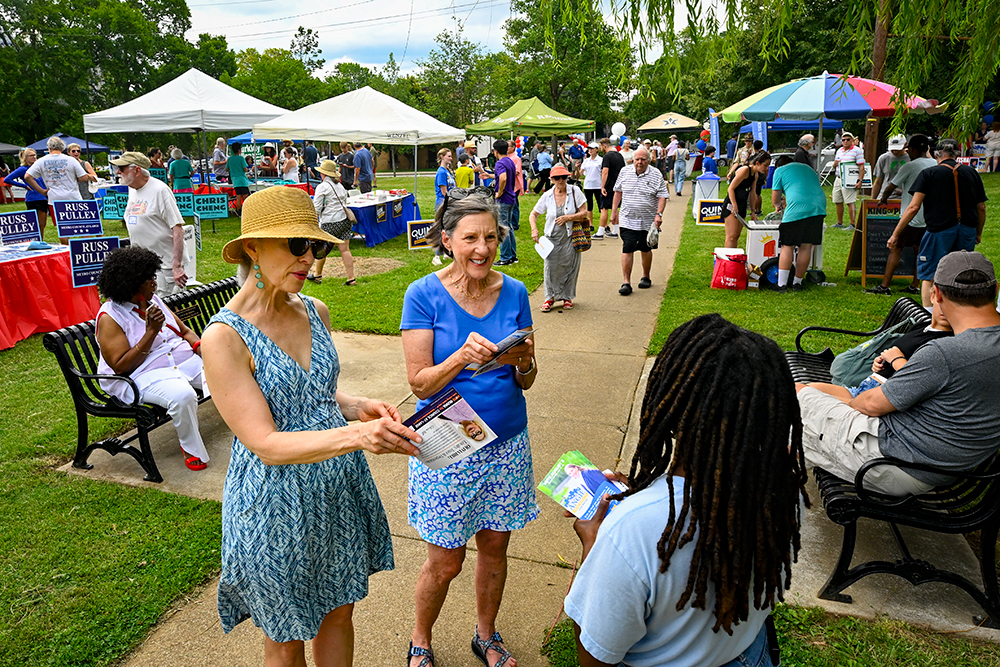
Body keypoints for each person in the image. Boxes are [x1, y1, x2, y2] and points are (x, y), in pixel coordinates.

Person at [201, 185, 420, 667]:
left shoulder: (314, 310)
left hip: (335, 488)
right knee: (285, 636)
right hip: (275, 502)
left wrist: (356, 405)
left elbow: (311, 391)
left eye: (316, 245)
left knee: (339, 615)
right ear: (252, 249)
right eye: (297, 245)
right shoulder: (223, 338)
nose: (309, 257)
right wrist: (360, 436)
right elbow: (265, 443)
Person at [565, 314, 807, 667]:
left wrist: (593, 546)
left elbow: (595, 655)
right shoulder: (780, 490)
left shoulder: (633, 532)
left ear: (672, 405)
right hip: (748, 654)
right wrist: (648, 494)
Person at [400, 188, 538, 667]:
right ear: (448, 240)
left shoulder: (515, 292)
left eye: (492, 237)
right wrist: (460, 357)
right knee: (445, 561)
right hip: (450, 440)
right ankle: (420, 640)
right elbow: (418, 385)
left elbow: (528, 377)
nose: (482, 248)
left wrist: (523, 362)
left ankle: (486, 635)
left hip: (507, 442)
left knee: (495, 548)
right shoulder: (423, 294)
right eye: (471, 238)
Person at [796, 250, 1000, 496]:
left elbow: (870, 404)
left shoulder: (946, 352)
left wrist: (843, 401)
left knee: (786, 395)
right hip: (937, 463)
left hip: (892, 463)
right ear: (995, 290)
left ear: (936, 294)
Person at [95, 246, 210, 471]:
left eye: (153, 276)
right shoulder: (110, 317)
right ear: (130, 283)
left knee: (228, 372)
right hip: (144, 374)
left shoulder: (154, 300)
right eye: (148, 279)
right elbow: (121, 366)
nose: (154, 283)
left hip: (182, 361)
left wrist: (200, 348)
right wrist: (150, 332)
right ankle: (191, 449)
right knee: (183, 395)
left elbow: (184, 332)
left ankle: (248, 429)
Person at [889, 138, 987, 308]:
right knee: (961, 273)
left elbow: (913, 207)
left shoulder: (929, 174)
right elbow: (982, 208)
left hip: (939, 230)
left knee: (929, 272)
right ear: (957, 154)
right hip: (967, 229)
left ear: (936, 154)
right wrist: (977, 232)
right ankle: (957, 312)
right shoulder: (972, 173)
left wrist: (895, 233)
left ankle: (928, 315)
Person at [807, 296, 953, 401]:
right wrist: (881, 362)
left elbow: (918, 381)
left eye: (954, 306)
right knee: (799, 389)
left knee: (804, 400)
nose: (947, 310)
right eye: (944, 302)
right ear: (933, 296)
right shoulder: (922, 327)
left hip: (878, 398)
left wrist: (896, 359)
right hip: (865, 386)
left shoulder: (947, 342)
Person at [868, 134, 936, 296]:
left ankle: (884, 286)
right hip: (930, 217)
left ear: (911, 149)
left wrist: (883, 199)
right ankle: (915, 284)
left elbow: (890, 187)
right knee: (920, 252)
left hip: (910, 217)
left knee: (895, 248)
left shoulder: (909, 166)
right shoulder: (936, 164)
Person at [114, 152, 188, 296]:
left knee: (168, 310)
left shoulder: (160, 190)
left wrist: (177, 266)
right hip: (142, 265)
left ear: (137, 170)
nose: (118, 172)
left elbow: (178, 229)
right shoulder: (132, 189)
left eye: (122, 168)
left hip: (164, 266)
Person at [530, 164, 589, 311]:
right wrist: (534, 230)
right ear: (552, 179)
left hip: (570, 236)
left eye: (564, 177)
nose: (561, 180)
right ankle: (549, 298)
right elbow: (534, 214)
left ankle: (567, 297)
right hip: (552, 237)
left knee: (570, 266)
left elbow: (584, 212)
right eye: (557, 178)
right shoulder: (547, 195)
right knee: (550, 267)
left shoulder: (575, 191)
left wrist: (569, 217)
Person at [612, 147, 670, 296]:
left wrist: (659, 214)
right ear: (633, 160)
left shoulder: (656, 174)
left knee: (645, 248)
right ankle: (626, 282)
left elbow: (662, 195)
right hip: (627, 218)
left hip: (648, 220)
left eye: (643, 159)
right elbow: (618, 192)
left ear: (648, 160)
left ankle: (646, 276)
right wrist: (614, 212)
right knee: (628, 247)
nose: (640, 162)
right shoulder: (625, 172)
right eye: (637, 159)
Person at [770, 154, 827, 292]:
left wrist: (778, 206)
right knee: (806, 246)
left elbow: (775, 198)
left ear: (778, 165)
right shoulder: (807, 168)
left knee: (787, 245)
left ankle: (782, 284)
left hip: (797, 208)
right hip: (818, 207)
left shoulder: (779, 171)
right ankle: (797, 282)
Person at [25, 136, 89, 235]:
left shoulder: (41, 161)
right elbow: (84, 178)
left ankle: (66, 247)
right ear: (63, 148)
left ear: (49, 148)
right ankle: (85, 247)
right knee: (81, 226)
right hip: (73, 197)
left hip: (54, 198)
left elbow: (27, 176)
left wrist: (41, 191)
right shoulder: (71, 160)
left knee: (62, 227)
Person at [307, 160, 356, 287]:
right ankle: (351, 278)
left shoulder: (322, 187)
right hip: (344, 220)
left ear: (323, 174)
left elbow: (316, 208)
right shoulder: (340, 186)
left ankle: (317, 275)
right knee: (345, 250)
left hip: (330, 222)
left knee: (321, 249)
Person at [722, 152, 771, 249]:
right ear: (757, 163)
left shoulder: (755, 174)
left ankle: (733, 260)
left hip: (742, 203)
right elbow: (730, 188)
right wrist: (734, 205)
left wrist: (753, 211)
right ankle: (727, 261)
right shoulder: (744, 170)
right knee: (731, 236)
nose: (766, 169)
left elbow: (753, 193)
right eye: (765, 165)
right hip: (732, 203)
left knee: (736, 236)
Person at [7, 149, 50, 237]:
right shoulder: (23, 169)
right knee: (37, 224)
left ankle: (39, 241)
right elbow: (7, 179)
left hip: (44, 198)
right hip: (34, 199)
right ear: (25, 158)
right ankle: (37, 241)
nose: (34, 157)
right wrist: (24, 186)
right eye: (31, 155)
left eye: (35, 155)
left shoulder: (38, 167)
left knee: (42, 224)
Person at [492, 140, 520, 267]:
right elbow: (503, 176)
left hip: (503, 199)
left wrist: (499, 192)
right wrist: (488, 175)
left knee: (502, 228)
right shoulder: (509, 161)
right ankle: (513, 256)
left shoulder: (499, 163)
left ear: (496, 151)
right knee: (509, 227)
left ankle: (505, 257)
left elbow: (503, 178)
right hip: (511, 197)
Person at [831, 132, 865, 229]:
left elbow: (861, 166)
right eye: (843, 140)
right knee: (838, 200)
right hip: (838, 178)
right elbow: (834, 166)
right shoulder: (839, 151)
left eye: (848, 139)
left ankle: (852, 224)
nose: (845, 141)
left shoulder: (857, 150)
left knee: (850, 201)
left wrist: (860, 180)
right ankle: (839, 223)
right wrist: (835, 163)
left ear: (852, 140)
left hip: (849, 179)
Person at [596, 137, 625, 240]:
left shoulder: (607, 156)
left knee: (604, 208)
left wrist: (602, 186)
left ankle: (600, 232)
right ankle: (615, 231)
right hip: (618, 186)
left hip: (609, 186)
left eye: (601, 147)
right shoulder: (620, 155)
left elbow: (605, 172)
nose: (601, 149)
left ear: (604, 146)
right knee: (615, 207)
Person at [871, 134, 910, 200]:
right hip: (885, 198)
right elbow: (878, 181)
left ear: (905, 144)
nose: (895, 152)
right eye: (893, 149)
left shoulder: (911, 159)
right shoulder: (884, 158)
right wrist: (872, 200)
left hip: (905, 198)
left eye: (898, 149)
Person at [578, 142, 604, 228]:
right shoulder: (586, 161)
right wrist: (577, 168)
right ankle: (591, 224)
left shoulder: (601, 160)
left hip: (598, 185)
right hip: (588, 185)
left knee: (600, 205)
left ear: (597, 149)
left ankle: (603, 224)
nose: (590, 150)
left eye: (592, 149)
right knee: (589, 205)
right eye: (589, 149)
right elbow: (580, 174)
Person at [227, 142, 251, 214]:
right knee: (245, 197)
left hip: (235, 180)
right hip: (242, 180)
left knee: (238, 197)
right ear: (239, 150)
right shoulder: (241, 158)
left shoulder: (230, 159)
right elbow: (245, 169)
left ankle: (239, 212)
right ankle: (247, 212)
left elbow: (227, 169)